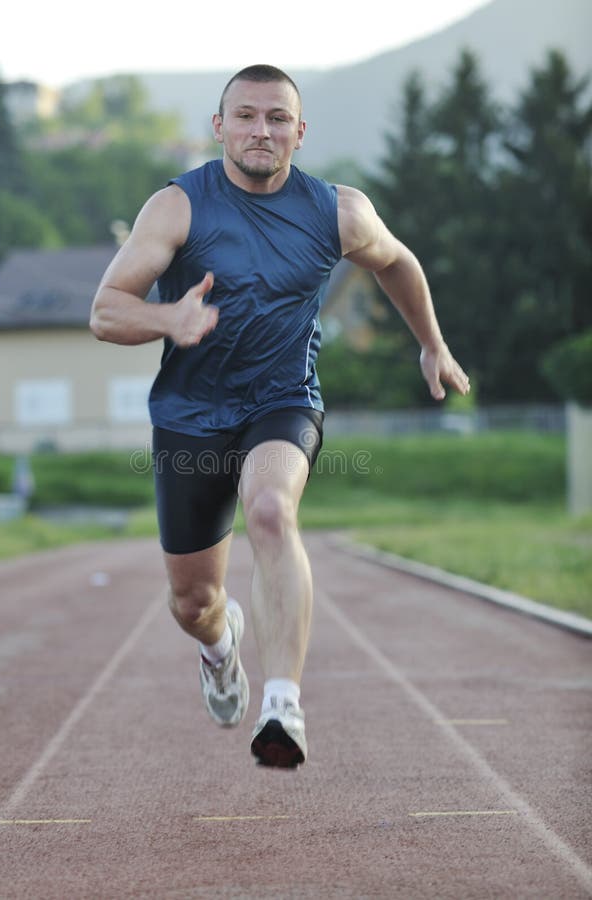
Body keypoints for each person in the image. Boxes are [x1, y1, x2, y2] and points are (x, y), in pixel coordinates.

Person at [90, 64, 470, 768]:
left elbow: (397, 262)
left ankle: (282, 707)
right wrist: (168, 316)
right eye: (245, 116)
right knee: (192, 602)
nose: (260, 130)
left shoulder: (337, 211)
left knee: (270, 512)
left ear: (299, 132)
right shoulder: (177, 207)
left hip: (282, 402)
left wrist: (432, 345)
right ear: (219, 126)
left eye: (275, 118)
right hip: (190, 416)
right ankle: (219, 649)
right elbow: (106, 310)